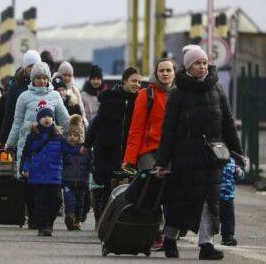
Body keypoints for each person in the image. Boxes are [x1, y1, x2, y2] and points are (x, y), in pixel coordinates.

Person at [155, 46, 243, 260]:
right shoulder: (177, 93)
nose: (202, 67)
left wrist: (238, 153)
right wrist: (162, 162)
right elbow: (168, 130)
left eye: (204, 62)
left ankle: (206, 244)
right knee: (179, 200)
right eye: (197, 63)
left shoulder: (217, 89)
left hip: (212, 157)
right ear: (188, 66)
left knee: (209, 201)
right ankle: (169, 239)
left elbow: (228, 123)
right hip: (184, 156)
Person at [5, 62, 70, 229]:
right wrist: (9, 144)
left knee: (49, 190)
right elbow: (17, 122)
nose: (41, 81)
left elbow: (64, 119)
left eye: (44, 77)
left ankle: (46, 220)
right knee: (30, 186)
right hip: (29, 146)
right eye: (38, 77)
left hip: (50, 148)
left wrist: (75, 135)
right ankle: (35, 218)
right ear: (32, 79)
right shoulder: (24, 97)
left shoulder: (55, 96)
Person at [123, 60, 176, 249]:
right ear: (156, 72)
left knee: (170, 193)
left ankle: (169, 233)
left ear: (174, 73)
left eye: (168, 70)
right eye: (161, 70)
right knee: (152, 191)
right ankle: (155, 232)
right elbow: (135, 128)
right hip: (148, 152)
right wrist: (129, 158)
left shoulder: (180, 94)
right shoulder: (147, 94)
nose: (165, 74)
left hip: (172, 152)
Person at [81, 67, 142, 224]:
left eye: (139, 82)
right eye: (134, 81)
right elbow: (97, 123)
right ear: (124, 81)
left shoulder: (141, 101)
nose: (137, 84)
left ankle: (122, 222)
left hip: (129, 152)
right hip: (108, 151)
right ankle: (102, 221)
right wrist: (87, 144)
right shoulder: (110, 99)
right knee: (108, 186)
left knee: (128, 188)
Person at [20, 102, 81, 236]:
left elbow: (70, 149)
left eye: (50, 116)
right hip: (37, 174)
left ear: (53, 119)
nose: (47, 118)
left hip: (54, 174)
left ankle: (49, 222)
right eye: (44, 116)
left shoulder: (58, 137)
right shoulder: (32, 136)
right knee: (41, 202)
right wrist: (25, 168)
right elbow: (27, 154)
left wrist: (83, 149)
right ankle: (43, 227)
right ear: (38, 119)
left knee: (56, 201)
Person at [0, 50, 41, 145]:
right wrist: (3, 140)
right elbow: (9, 115)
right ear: (25, 67)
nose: (33, 69)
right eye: (30, 66)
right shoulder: (15, 87)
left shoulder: (46, 86)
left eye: (35, 65)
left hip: (41, 136)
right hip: (21, 136)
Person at [62, 114, 91, 231]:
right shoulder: (65, 149)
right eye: (70, 135)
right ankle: (70, 217)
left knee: (80, 202)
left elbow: (90, 163)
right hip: (68, 180)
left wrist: (91, 169)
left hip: (82, 180)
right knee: (69, 200)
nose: (72, 137)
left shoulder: (86, 150)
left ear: (81, 136)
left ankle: (78, 219)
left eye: (75, 135)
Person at [220, 158, 244, 246]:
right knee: (212, 217)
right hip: (215, 195)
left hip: (228, 196)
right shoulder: (215, 158)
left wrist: (240, 173)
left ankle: (227, 237)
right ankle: (207, 238)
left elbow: (238, 176)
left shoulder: (233, 161)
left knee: (229, 217)